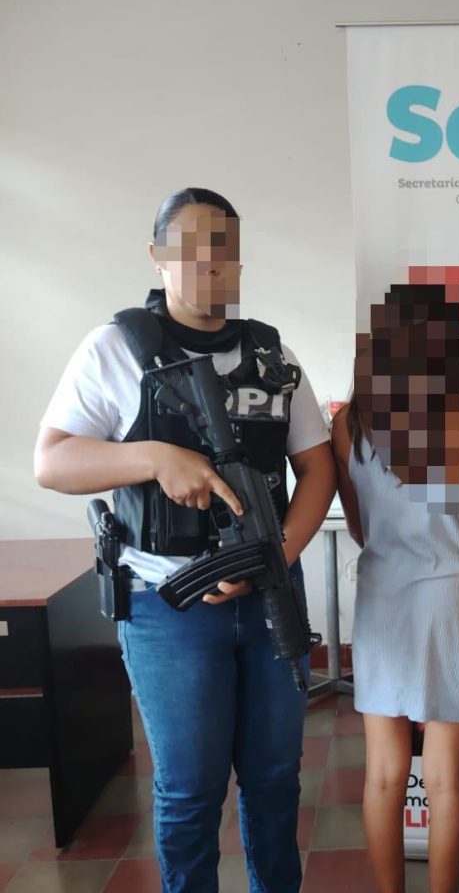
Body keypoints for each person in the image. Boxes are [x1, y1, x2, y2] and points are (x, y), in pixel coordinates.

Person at [34, 187, 335, 893]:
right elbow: (52, 462)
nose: (210, 262)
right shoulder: (116, 348)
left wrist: (276, 555)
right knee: (191, 789)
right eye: (192, 246)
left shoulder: (271, 353)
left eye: (224, 248)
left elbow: (317, 468)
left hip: (270, 594)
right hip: (165, 604)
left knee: (274, 779)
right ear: (158, 255)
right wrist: (154, 458)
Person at [331, 270, 459, 893]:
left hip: (381, 601)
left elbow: (357, 524)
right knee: (447, 778)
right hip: (450, 600)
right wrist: (447, 563)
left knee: (383, 774)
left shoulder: (348, 424)